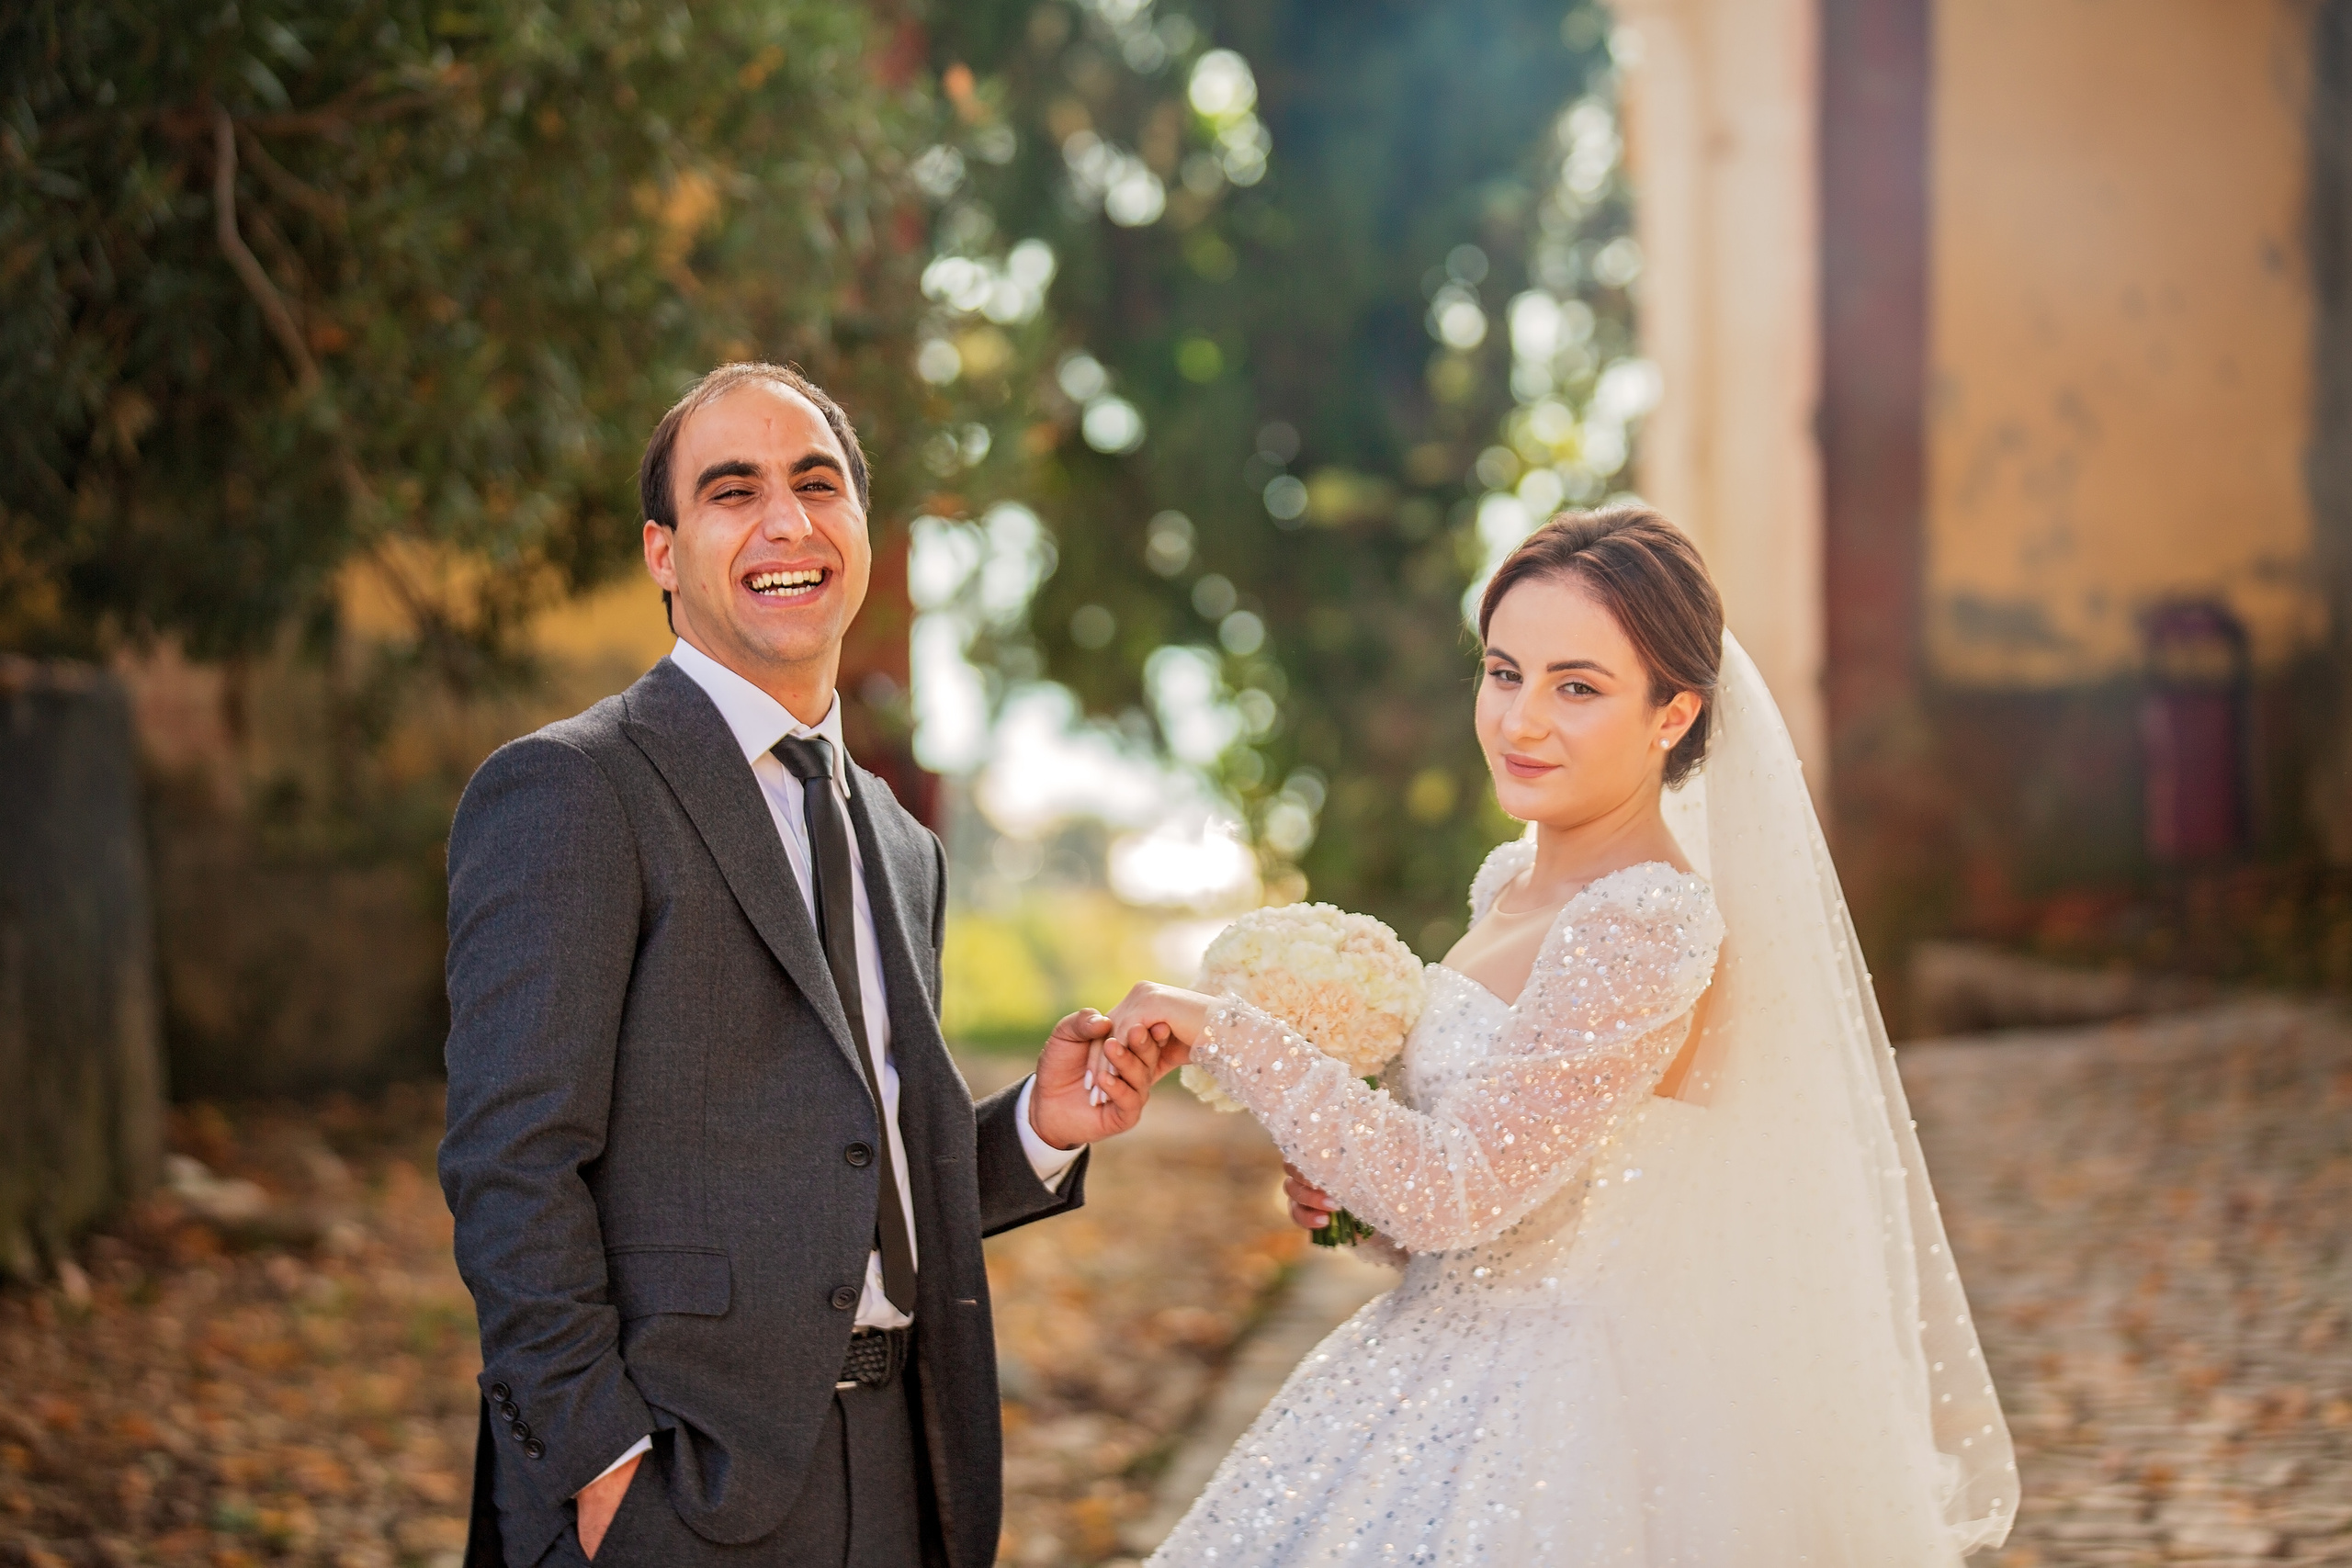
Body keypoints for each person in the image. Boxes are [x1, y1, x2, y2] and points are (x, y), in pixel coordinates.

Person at [1106, 508, 2018, 1563]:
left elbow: (1455, 1193)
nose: (1520, 721)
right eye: (1504, 674)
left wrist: (1233, 1034)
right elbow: (1483, 1207)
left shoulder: (1642, 924)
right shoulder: (1509, 885)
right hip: (1431, 1368)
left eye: (1576, 688)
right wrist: (1356, 1201)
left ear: (1673, 714)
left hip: (1554, 1421)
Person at [438, 363, 1163, 1568]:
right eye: (734, 493)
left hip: (903, 1474)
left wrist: (1041, 1125)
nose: (787, 521)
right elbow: (510, 1164)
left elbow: (850, 1175)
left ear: (861, 532)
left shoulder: (901, 841)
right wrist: (605, 1467)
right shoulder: (573, 789)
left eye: (818, 485)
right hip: (675, 1482)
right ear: (664, 553)